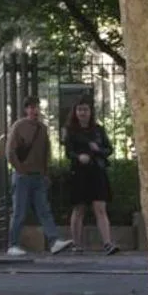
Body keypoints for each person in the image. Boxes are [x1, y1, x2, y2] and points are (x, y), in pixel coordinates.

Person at [2, 95, 73, 259]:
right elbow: (10, 151)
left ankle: (54, 241)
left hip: (38, 176)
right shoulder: (19, 126)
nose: (35, 110)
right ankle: (12, 244)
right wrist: (20, 169)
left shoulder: (42, 128)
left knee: (44, 210)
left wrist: (46, 172)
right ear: (26, 109)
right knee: (19, 211)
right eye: (31, 107)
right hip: (23, 176)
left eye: (36, 107)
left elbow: (46, 152)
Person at [63, 98, 118, 254]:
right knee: (79, 208)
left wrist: (98, 150)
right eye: (80, 110)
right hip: (79, 173)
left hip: (97, 171)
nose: (82, 113)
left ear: (90, 112)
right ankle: (77, 244)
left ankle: (107, 243)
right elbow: (68, 152)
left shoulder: (98, 130)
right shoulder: (71, 131)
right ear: (75, 112)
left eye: (85, 110)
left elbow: (109, 149)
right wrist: (78, 157)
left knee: (100, 207)